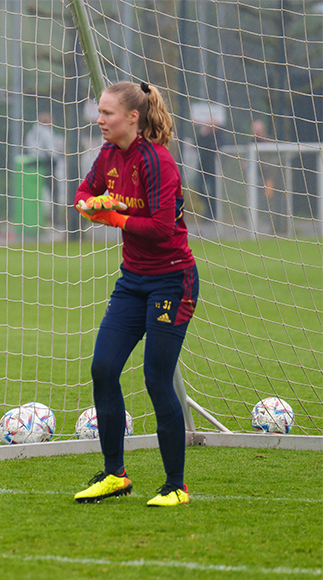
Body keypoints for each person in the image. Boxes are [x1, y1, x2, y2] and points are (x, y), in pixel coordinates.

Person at [73, 82, 199, 507]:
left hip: (172, 281)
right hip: (133, 281)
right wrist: (90, 205)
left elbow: (163, 230)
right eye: (99, 112)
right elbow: (82, 194)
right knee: (103, 367)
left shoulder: (157, 160)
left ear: (132, 117)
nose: (100, 119)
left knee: (155, 378)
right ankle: (115, 475)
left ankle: (176, 486)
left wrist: (110, 215)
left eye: (107, 113)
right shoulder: (108, 155)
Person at [24, 111, 64, 228]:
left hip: (32, 164)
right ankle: (55, 221)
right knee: (54, 193)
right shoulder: (46, 132)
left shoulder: (31, 132)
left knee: (35, 194)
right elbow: (52, 151)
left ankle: (35, 220)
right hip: (47, 164)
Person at [195, 122, 218, 218]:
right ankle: (208, 208)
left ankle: (213, 212)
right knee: (199, 187)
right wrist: (202, 135)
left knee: (214, 191)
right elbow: (196, 145)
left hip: (214, 169)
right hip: (203, 168)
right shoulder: (203, 137)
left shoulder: (217, 137)